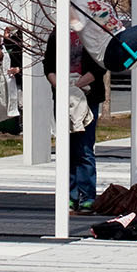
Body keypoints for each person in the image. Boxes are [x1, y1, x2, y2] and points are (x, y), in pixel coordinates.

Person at [45, 12, 109, 213]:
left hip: (87, 96)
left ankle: (87, 196)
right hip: (65, 96)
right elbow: (48, 64)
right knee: (67, 147)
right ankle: (69, 195)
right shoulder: (57, 34)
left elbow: (100, 67)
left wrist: (77, 85)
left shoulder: (93, 34)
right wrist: (61, 86)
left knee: (85, 148)